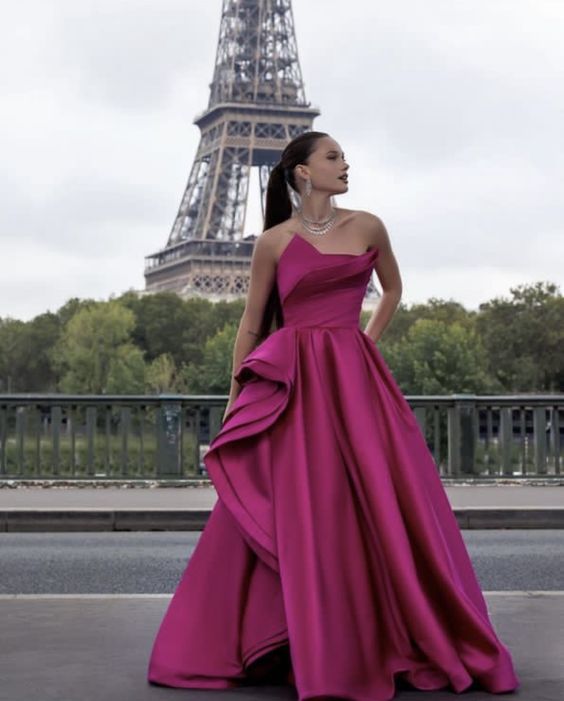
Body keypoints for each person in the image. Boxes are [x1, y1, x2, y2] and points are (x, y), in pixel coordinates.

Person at [147, 131, 520, 700]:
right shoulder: (272, 241)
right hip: (296, 380)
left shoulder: (368, 225)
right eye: (332, 156)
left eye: (343, 156)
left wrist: (363, 343)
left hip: (353, 376)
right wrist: (233, 398)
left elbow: (392, 290)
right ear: (301, 172)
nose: (345, 164)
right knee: (308, 500)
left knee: (375, 498)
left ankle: (378, 636)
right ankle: (305, 639)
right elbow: (252, 325)